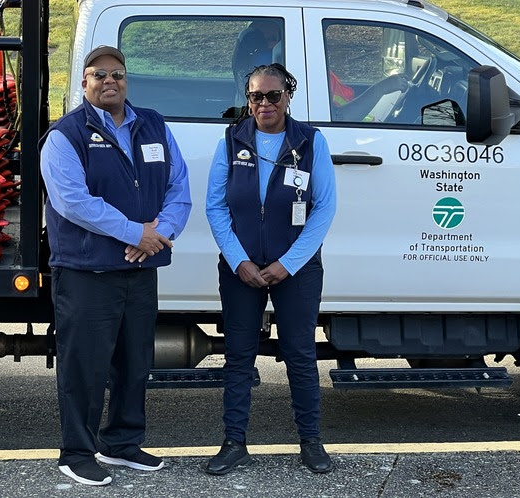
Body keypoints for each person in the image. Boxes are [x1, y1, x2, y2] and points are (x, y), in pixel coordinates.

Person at [39, 45, 191, 486]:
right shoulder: (66, 135)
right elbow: (72, 202)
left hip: (141, 268)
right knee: (85, 365)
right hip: (88, 271)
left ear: (127, 80)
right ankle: (77, 452)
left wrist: (159, 236)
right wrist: (135, 233)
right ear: (83, 84)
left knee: (134, 361)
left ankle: (122, 443)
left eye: (118, 74)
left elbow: (179, 188)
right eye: (98, 75)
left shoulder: (153, 125)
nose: (110, 81)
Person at [205, 63, 337, 475]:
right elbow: (215, 206)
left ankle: (311, 442)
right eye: (256, 97)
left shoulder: (311, 142)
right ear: (248, 100)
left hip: (295, 268)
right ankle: (234, 443)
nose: (264, 104)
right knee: (238, 357)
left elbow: (324, 207)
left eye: (272, 96)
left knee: (299, 354)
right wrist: (238, 259)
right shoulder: (231, 140)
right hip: (240, 269)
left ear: (288, 96)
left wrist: (289, 263)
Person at [232, 20, 282, 106]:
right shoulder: (263, 57)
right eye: (263, 39)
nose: (268, 44)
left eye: (271, 39)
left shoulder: (244, 61)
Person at [330, 70, 410, 122]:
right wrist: (381, 88)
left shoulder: (326, 73)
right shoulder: (319, 76)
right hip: (355, 136)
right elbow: (339, 120)